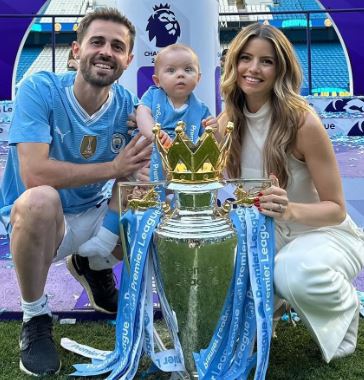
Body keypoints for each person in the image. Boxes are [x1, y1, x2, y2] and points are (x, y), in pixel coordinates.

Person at [0, 8, 151, 377]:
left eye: (117, 46)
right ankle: (35, 316)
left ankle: (93, 264)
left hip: (93, 213)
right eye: (97, 42)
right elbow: (35, 173)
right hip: (43, 222)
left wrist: (146, 137)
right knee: (40, 199)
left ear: (128, 60)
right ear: (75, 50)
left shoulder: (128, 106)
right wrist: (114, 169)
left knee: (145, 197)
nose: (106, 52)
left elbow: (139, 169)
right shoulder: (40, 90)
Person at [218, 23, 364, 364]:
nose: (253, 69)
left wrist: (289, 210)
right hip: (266, 237)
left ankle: (345, 314)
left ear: (280, 68)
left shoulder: (302, 123)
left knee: (290, 271)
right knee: (220, 285)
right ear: (234, 63)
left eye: (266, 61)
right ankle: (274, 300)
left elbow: (336, 209)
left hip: (323, 234)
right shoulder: (227, 120)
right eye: (245, 58)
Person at [135, 44, 217, 149]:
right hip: (149, 156)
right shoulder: (152, 95)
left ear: (198, 78)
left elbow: (213, 143)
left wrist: (213, 130)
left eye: (188, 69)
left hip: (181, 161)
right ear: (157, 81)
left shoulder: (201, 110)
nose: (180, 74)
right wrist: (154, 134)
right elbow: (142, 115)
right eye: (171, 70)